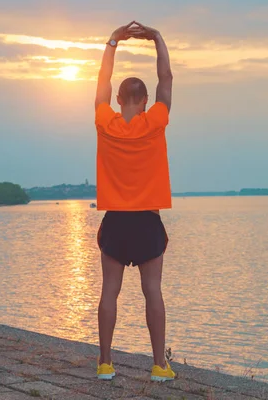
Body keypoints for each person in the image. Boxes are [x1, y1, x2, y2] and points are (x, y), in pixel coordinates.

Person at [94, 21, 175, 382]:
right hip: (146, 221)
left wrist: (114, 40)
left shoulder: (105, 122)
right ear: (144, 101)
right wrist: (156, 38)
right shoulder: (154, 121)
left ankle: (105, 364)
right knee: (152, 292)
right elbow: (167, 79)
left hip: (115, 221)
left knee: (109, 291)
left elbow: (101, 83)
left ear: (117, 100)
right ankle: (159, 365)